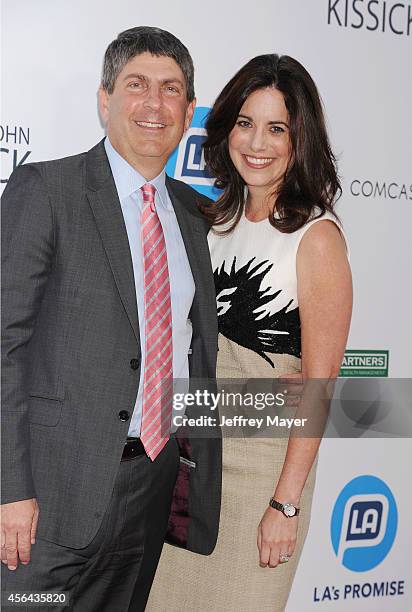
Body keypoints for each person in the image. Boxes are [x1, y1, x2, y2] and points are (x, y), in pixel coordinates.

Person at [1, 26, 221, 612]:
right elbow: (3, 346)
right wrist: (9, 489)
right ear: (105, 99)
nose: (155, 104)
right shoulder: (48, 190)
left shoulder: (193, 216)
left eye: (171, 89)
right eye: (137, 85)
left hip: (148, 491)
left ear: (189, 110)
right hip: (45, 502)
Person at [146, 54, 352, 611]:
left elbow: (318, 385)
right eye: (245, 122)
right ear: (226, 128)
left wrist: (285, 505)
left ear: (300, 139)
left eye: (277, 128)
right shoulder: (212, 222)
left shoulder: (316, 237)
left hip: (263, 479)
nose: (257, 143)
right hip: (189, 472)